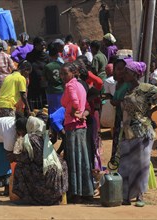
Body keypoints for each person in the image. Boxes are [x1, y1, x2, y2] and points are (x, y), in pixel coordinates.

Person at [119, 61, 157, 206]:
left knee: (141, 164)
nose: (123, 74)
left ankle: (140, 196)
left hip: (142, 131)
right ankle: (126, 196)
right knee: (125, 163)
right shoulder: (127, 89)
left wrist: (152, 111)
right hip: (127, 131)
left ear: (135, 74)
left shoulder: (146, 88)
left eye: (126, 72)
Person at [12, 116, 68, 205]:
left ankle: (31, 198)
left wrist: (15, 155)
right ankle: (56, 198)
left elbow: (26, 159)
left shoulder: (29, 138)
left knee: (20, 167)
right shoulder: (43, 136)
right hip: (57, 173)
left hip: (46, 175)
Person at [60, 62, 93, 203]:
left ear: (73, 73)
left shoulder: (70, 85)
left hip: (72, 126)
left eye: (65, 73)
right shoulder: (81, 85)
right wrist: (82, 115)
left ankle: (75, 193)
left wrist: (75, 113)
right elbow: (87, 107)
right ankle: (87, 191)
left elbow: (74, 102)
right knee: (83, 158)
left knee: (73, 159)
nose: (62, 76)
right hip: (82, 126)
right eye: (61, 73)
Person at [26, 37, 50, 110]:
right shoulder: (30, 56)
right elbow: (27, 68)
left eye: (44, 45)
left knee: (45, 107)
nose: (43, 46)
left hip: (44, 85)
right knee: (35, 107)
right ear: (36, 45)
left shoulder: (46, 56)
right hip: (33, 85)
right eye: (41, 45)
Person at [43, 43, 64, 115]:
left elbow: (44, 79)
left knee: (52, 111)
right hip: (61, 90)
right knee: (61, 109)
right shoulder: (61, 65)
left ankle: (53, 125)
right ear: (57, 54)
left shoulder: (47, 66)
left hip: (51, 91)